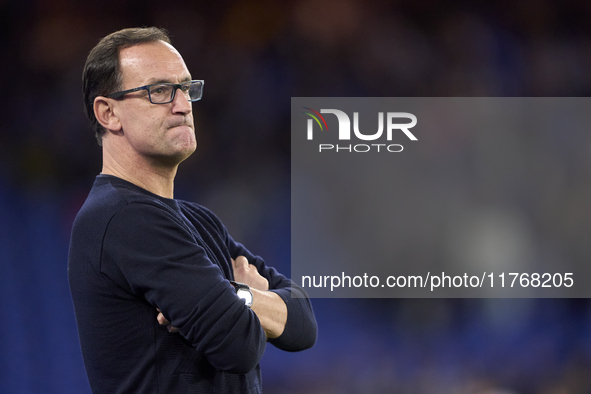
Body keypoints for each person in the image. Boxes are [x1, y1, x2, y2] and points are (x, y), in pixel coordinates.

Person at [68, 27, 317, 393]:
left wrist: (234, 296)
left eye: (185, 88)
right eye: (159, 91)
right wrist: (250, 305)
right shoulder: (123, 217)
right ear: (108, 113)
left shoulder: (199, 220)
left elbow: (304, 322)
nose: (183, 104)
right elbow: (240, 346)